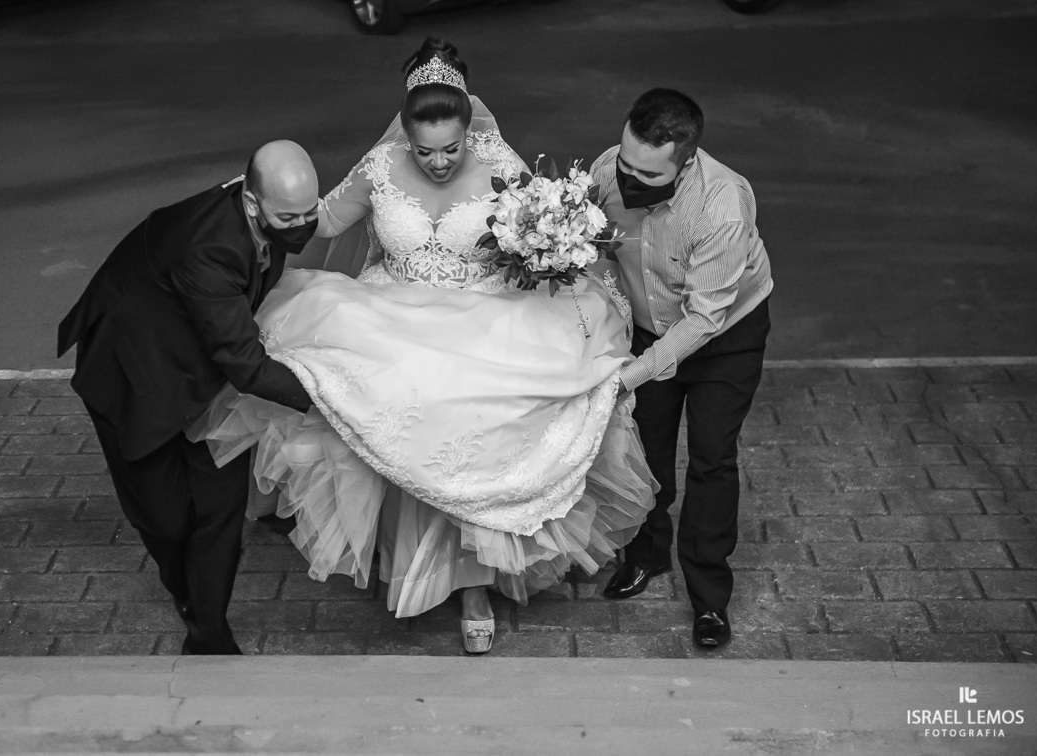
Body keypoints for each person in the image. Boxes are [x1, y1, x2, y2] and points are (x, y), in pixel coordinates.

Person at [189, 39, 657, 654]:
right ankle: (421, 564)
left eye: (452, 148)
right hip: (395, 311)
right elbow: (322, 221)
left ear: (470, 128)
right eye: (424, 150)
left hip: (488, 312)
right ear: (405, 134)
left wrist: (548, 241)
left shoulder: (497, 158)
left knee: (471, 409)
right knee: (410, 396)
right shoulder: (380, 167)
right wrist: (249, 205)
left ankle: (472, 586)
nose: (439, 162)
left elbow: (534, 219)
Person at [56, 141, 319, 654]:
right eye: (289, 217)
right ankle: (183, 587)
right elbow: (245, 364)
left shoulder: (265, 215)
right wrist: (329, 398)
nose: (301, 225)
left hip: (204, 372)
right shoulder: (211, 250)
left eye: (309, 212)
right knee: (165, 518)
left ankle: (207, 629)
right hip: (135, 376)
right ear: (251, 203)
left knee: (221, 504)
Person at [592, 89, 774, 650]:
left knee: (712, 458)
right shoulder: (605, 170)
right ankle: (647, 556)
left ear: (686, 161)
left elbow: (703, 320)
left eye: (646, 174)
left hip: (724, 336)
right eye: (625, 163)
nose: (626, 179)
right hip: (647, 324)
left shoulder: (721, 206)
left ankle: (710, 596)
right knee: (645, 449)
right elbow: (594, 251)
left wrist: (629, 376)